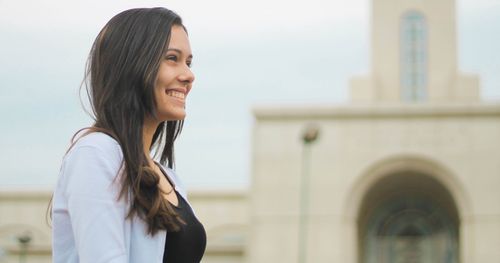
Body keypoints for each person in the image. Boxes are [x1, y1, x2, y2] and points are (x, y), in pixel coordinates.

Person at [51, 7, 206, 263]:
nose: (188, 75)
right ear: (132, 64)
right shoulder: (96, 154)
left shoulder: (170, 178)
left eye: (188, 62)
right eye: (172, 58)